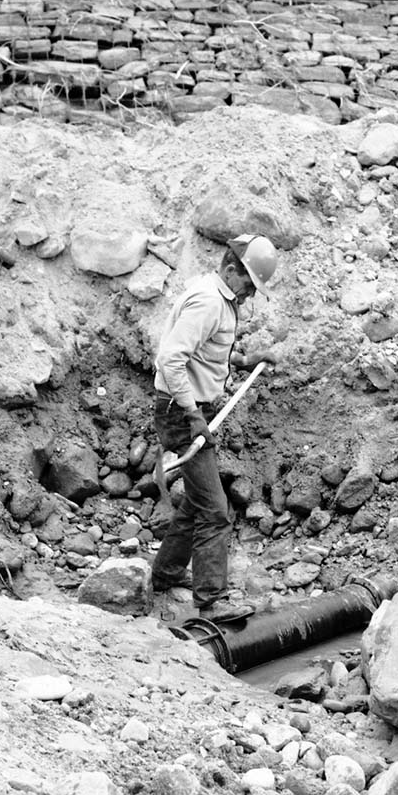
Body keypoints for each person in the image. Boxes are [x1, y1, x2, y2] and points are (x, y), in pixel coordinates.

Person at [150, 233, 279, 623]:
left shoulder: (219, 299)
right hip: (180, 411)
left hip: (189, 407)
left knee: (196, 500)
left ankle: (165, 574)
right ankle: (212, 601)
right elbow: (170, 359)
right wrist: (193, 416)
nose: (250, 296)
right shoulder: (208, 302)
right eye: (248, 285)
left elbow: (207, 353)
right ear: (228, 269)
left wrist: (245, 359)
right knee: (215, 510)